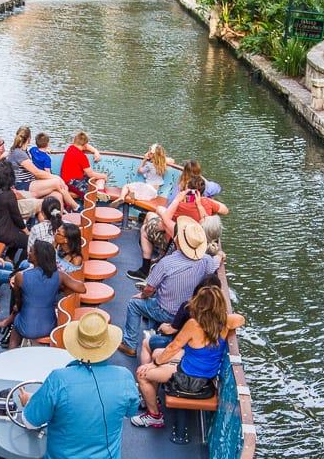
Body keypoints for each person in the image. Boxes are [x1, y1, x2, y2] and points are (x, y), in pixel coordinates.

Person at [20, 311, 140, 459]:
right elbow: (131, 410)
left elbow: (30, 421)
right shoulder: (124, 377)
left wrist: (30, 401)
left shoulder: (59, 379)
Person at [131, 284, 245, 428]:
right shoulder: (226, 322)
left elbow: (173, 347)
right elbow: (241, 319)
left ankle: (154, 416)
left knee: (142, 374)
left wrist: (154, 364)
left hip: (188, 378)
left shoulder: (194, 324)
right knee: (158, 354)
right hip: (206, 376)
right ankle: (153, 396)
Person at [119, 218, 223, 356]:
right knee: (156, 296)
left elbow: (150, 289)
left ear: (179, 242)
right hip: (186, 310)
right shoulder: (205, 260)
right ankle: (155, 331)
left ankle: (130, 344)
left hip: (165, 310)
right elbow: (216, 261)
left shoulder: (167, 263)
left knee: (134, 304)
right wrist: (221, 255)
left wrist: (142, 295)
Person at [0, 239, 84, 348]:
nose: (28, 253)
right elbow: (82, 288)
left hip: (26, 326)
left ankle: (11, 350)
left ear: (38, 257)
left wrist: (16, 309)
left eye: (31, 251)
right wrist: (61, 288)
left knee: (16, 323)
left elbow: (19, 301)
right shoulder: (59, 276)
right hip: (49, 326)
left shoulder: (20, 277)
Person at [8, 126, 78, 210]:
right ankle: (76, 207)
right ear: (29, 138)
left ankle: (59, 222)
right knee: (56, 182)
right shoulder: (19, 153)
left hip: (30, 183)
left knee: (58, 195)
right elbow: (37, 172)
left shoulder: (25, 151)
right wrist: (57, 177)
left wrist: (45, 151)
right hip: (22, 185)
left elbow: (36, 152)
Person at [0, 133, 38, 221]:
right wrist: (28, 199)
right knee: (40, 203)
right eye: (3, 143)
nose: (4, 145)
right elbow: (14, 194)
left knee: (35, 195)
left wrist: (7, 154)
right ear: (0, 148)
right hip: (3, 205)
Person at [0, 159, 29, 262]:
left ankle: (10, 257)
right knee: (29, 242)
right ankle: (18, 267)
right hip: (5, 233)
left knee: (18, 237)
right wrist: (26, 230)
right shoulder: (9, 195)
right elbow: (16, 217)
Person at [60, 130, 107, 199]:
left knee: (99, 179)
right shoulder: (82, 156)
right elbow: (90, 174)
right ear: (84, 144)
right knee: (90, 194)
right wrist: (104, 176)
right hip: (71, 182)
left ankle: (100, 191)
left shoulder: (70, 148)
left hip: (74, 178)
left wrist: (95, 151)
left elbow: (87, 146)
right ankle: (93, 202)